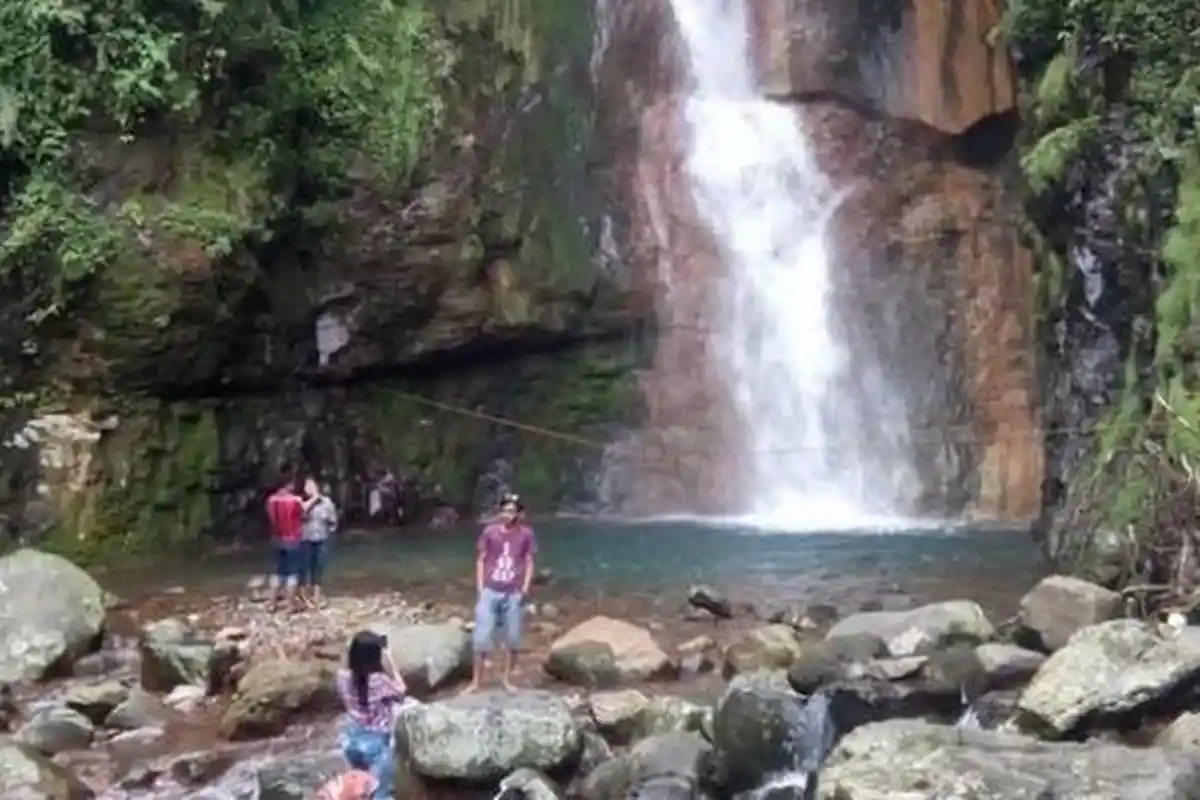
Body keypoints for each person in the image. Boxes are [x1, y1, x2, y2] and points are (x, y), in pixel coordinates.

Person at [463, 495, 536, 693]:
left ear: (519, 514)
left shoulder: (526, 534)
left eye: (512, 511)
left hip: (513, 593)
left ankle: (506, 680)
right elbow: (481, 558)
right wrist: (480, 586)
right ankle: (476, 681)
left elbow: (529, 561)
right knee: (481, 637)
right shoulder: (490, 532)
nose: (507, 515)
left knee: (512, 639)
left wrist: (526, 587)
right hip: (490, 590)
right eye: (505, 510)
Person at [336, 630, 404, 800]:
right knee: (381, 792)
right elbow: (401, 692)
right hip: (376, 742)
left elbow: (349, 667)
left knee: (359, 789)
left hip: (352, 739)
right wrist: (391, 661)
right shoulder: (379, 680)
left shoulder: (342, 676)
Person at [265, 477, 304, 613]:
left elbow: (271, 518)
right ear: (288, 485)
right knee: (292, 572)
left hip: (277, 539)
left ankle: (271, 603)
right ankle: (289, 605)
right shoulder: (296, 500)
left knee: (278, 572)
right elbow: (302, 515)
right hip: (293, 539)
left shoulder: (271, 500)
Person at [301, 478, 339, 609]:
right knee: (306, 568)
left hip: (322, 539)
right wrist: (313, 501)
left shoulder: (327, 502)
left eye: (311, 485)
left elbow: (333, 520)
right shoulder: (301, 502)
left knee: (319, 568)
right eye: (307, 486)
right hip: (306, 539)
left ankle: (316, 596)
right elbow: (300, 515)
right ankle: (306, 596)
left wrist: (330, 532)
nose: (309, 488)